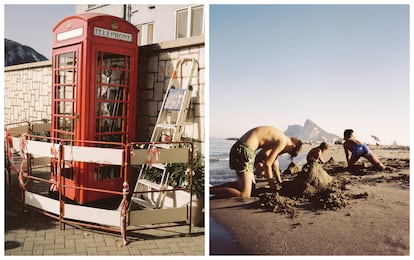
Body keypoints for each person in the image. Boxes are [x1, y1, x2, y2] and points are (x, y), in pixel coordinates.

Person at [210, 126, 303, 198]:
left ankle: (211, 189)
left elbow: (274, 161)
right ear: (293, 146)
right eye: (287, 152)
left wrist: (279, 180)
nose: (283, 152)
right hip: (245, 150)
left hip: (240, 148)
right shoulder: (282, 142)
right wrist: (272, 185)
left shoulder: (279, 135)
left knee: (250, 187)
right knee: (245, 194)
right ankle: (207, 191)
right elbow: (268, 164)